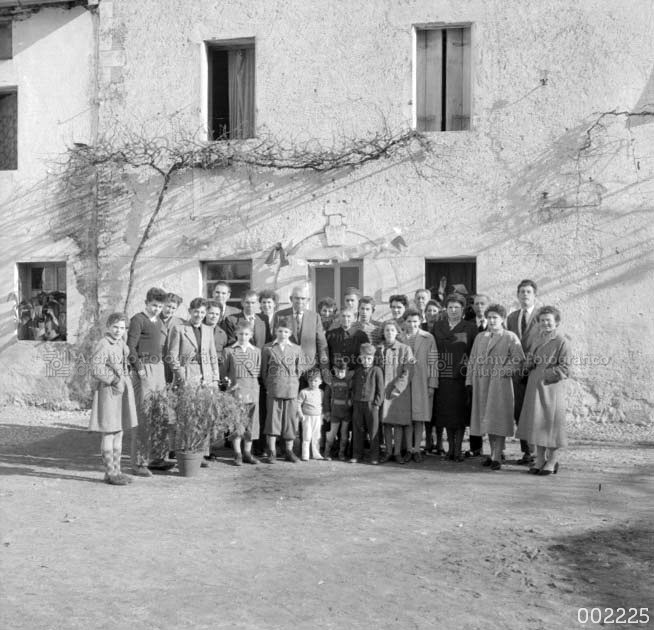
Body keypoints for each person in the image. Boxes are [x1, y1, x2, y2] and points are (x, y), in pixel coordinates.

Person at [466, 304, 525, 470]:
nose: (491, 321)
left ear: (502, 319)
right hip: (481, 384)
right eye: (489, 317)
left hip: (500, 385)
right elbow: (472, 360)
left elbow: (518, 359)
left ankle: (498, 456)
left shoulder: (509, 337)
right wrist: (469, 381)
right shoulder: (480, 337)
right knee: (487, 419)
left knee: (498, 419)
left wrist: (504, 371)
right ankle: (492, 454)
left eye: (495, 318)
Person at [516, 306, 571, 475]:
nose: (545, 323)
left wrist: (545, 373)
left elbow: (565, 368)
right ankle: (539, 459)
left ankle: (553, 460)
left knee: (550, 424)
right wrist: (529, 364)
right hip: (534, 387)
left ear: (557, 323)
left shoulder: (562, 342)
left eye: (549, 320)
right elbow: (531, 359)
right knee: (536, 423)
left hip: (550, 388)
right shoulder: (536, 339)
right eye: (542, 320)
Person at [88, 313, 138, 485]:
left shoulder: (121, 344)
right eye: (115, 327)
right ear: (108, 326)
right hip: (109, 392)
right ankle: (110, 473)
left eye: (122, 328)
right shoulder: (103, 344)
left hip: (122, 393)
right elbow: (96, 368)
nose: (118, 331)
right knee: (109, 432)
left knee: (119, 431)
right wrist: (115, 380)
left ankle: (117, 471)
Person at [127, 287, 169, 476]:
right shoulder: (138, 319)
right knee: (143, 417)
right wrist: (140, 369)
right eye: (153, 305)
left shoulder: (159, 321)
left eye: (159, 306)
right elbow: (130, 348)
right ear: (146, 302)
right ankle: (139, 463)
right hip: (144, 369)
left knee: (160, 414)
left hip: (158, 369)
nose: (156, 309)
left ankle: (157, 458)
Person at [431, 293, 478, 461]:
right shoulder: (438, 325)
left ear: (463, 309)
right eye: (450, 307)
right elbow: (433, 350)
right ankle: (450, 448)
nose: (453, 310)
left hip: (461, 377)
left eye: (456, 307)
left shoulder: (470, 327)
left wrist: (470, 376)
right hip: (442, 376)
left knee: (459, 415)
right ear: (445, 309)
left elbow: (474, 352)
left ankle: (458, 449)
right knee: (446, 414)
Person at [506, 279, 541, 465]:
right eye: (522, 292)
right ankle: (527, 451)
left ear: (535, 295)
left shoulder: (541, 316)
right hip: (517, 372)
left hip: (536, 369)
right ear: (517, 295)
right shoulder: (512, 318)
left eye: (528, 292)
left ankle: (538, 451)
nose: (525, 295)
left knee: (535, 411)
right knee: (519, 411)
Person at [261, 317, 303, 463]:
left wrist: (292, 382)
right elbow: (264, 371)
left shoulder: (296, 349)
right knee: (273, 420)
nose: (282, 334)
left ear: (290, 333)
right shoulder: (268, 348)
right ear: (275, 331)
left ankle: (289, 451)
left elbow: (299, 370)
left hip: (291, 389)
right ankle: (272, 451)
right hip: (274, 387)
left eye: (286, 331)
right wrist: (271, 385)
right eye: (279, 331)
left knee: (290, 421)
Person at [223, 320, 262, 466]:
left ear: (251, 335)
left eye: (246, 334)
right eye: (240, 334)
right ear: (235, 334)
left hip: (252, 391)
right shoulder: (229, 351)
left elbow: (257, 372)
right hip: (236, 391)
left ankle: (247, 452)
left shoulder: (256, 351)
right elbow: (224, 373)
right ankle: (237, 453)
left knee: (251, 424)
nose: (243, 337)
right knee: (236, 423)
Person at [403, 309, 438, 462]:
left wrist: (432, 384)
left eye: (415, 321)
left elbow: (434, 362)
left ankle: (417, 448)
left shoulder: (428, 337)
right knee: (407, 416)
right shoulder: (399, 337)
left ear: (420, 320)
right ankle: (408, 449)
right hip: (404, 382)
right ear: (405, 322)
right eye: (409, 321)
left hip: (422, 381)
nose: (412, 324)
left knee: (419, 417)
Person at [272, 285, 329, 380]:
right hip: (287, 368)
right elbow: (275, 343)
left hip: (309, 369)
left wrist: (325, 369)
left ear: (308, 300)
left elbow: (322, 344)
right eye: (297, 298)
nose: (300, 301)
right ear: (291, 299)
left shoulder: (314, 317)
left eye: (303, 298)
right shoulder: (280, 316)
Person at [377, 320, 414, 464]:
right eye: (387, 330)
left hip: (399, 392)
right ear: (383, 332)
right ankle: (387, 452)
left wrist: (398, 388)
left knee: (398, 422)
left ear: (397, 332)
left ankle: (397, 452)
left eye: (392, 330)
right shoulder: (379, 349)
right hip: (383, 390)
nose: (389, 333)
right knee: (386, 422)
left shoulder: (405, 349)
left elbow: (409, 370)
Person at [350, 343, 384, 464]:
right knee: (358, 429)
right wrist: (353, 400)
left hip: (372, 405)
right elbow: (353, 387)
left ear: (373, 358)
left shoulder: (377, 370)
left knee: (373, 431)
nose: (366, 360)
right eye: (364, 358)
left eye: (369, 358)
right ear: (360, 358)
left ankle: (374, 456)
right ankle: (357, 454)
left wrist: (377, 403)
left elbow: (380, 389)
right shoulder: (358, 371)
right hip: (358, 404)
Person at [324, 359, 352, 461]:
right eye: (338, 371)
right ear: (334, 370)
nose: (340, 374)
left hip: (346, 413)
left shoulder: (349, 382)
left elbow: (353, 394)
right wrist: (327, 411)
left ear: (346, 371)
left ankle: (341, 454)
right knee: (332, 434)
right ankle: (327, 453)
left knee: (344, 435)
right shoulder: (331, 382)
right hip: (335, 413)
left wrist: (351, 401)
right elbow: (326, 398)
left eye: (343, 372)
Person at [297, 369, 326, 461]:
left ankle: (316, 454)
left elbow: (323, 404)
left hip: (317, 417)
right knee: (307, 436)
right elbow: (298, 404)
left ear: (320, 382)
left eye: (315, 381)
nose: (313, 383)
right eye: (311, 381)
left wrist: (323, 415)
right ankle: (305, 455)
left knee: (317, 436)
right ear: (307, 381)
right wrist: (300, 414)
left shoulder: (321, 392)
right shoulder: (304, 392)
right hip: (307, 417)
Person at [160, 292, 184, 384]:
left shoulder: (180, 323)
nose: (170, 310)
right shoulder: (153, 321)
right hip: (157, 361)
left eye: (173, 308)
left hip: (172, 363)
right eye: (168, 306)